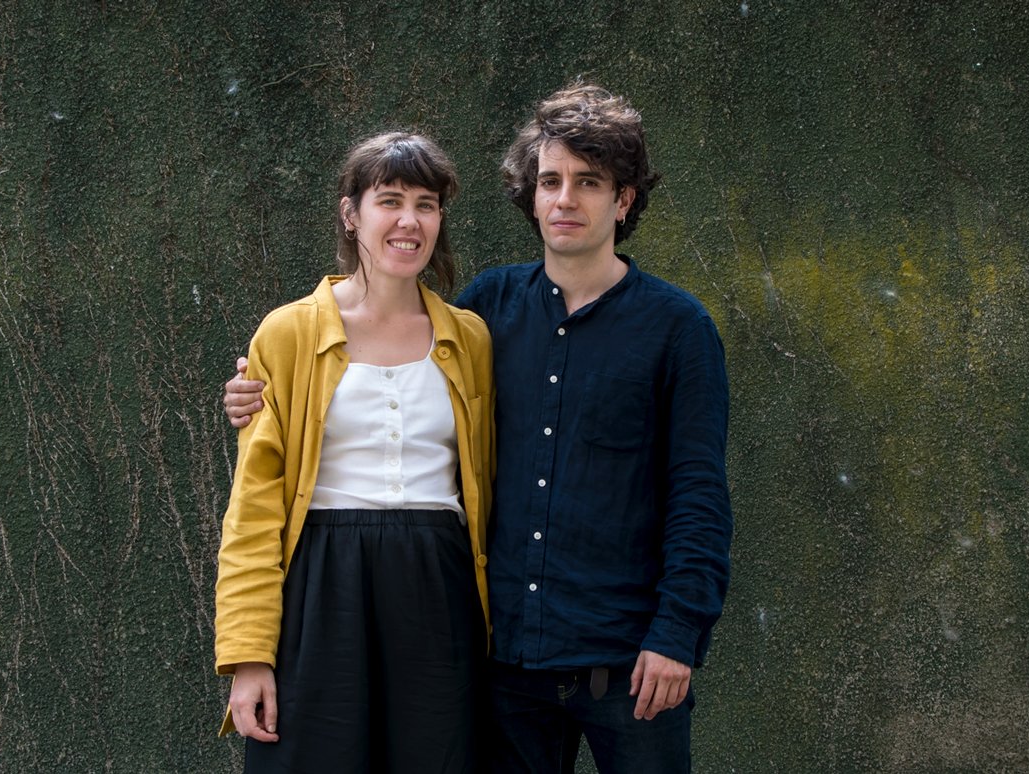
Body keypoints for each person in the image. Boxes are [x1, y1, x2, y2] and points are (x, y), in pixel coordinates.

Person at [225, 84, 732, 774]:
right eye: (550, 181)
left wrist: (678, 632)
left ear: (624, 200)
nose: (565, 199)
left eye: (589, 182)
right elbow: (270, 491)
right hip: (501, 663)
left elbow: (699, 497)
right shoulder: (485, 312)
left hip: (622, 659)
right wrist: (256, 394)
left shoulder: (670, 329)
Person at [214, 132, 494, 774]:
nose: (409, 221)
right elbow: (253, 509)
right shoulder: (287, 333)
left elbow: (488, 481)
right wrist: (249, 657)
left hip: (438, 590)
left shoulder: (469, 339)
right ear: (351, 213)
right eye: (389, 200)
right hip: (321, 586)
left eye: (426, 204)